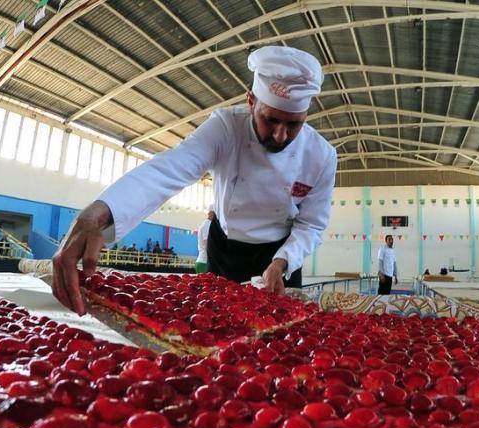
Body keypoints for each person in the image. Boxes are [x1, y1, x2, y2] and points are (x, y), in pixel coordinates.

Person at [51, 45, 336, 314]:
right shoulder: (226, 127)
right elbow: (170, 169)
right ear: (251, 102)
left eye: (293, 124)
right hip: (224, 250)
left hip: (280, 254)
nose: (280, 136)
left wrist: (282, 262)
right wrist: (99, 212)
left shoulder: (321, 156)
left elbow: (311, 224)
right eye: (271, 120)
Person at [196, 207, 213, 273]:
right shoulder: (207, 225)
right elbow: (207, 242)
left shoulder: (206, 224)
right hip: (204, 262)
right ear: (210, 213)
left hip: (202, 261)